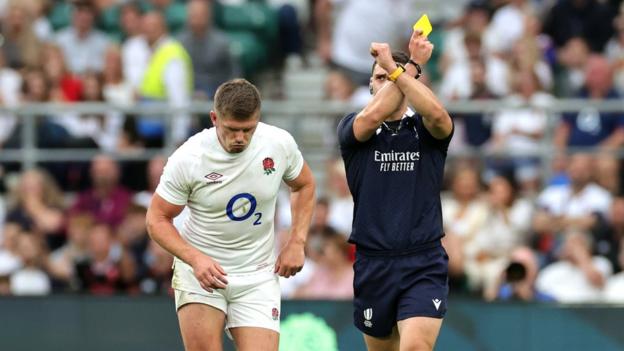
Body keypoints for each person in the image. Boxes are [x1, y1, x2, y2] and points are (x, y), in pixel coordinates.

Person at [146, 79, 315, 351]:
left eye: (248, 129)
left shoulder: (278, 143)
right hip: (202, 273)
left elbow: (304, 184)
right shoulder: (189, 158)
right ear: (215, 118)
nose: (240, 138)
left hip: (257, 274)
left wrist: (297, 241)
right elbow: (156, 219)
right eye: (232, 129)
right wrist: (195, 259)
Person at [337, 30, 453, 351]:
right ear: (370, 85)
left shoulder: (426, 131)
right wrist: (410, 64)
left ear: (410, 86)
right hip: (374, 263)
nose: (387, 82)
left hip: (423, 260)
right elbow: (373, 114)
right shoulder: (353, 127)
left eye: (392, 77)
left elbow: (439, 116)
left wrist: (402, 70)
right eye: (380, 77)